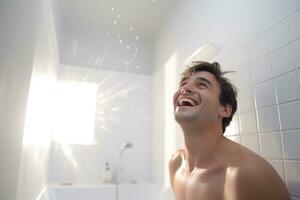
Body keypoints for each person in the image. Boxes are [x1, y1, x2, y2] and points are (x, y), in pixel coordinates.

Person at [169, 61, 290, 200]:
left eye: (202, 84)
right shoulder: (175, 163)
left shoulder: (246, 172)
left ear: (225, 109)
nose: (185, 88)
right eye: (183, 84)